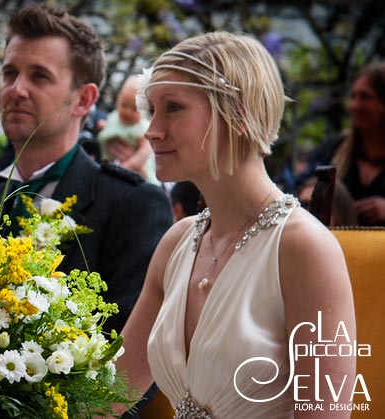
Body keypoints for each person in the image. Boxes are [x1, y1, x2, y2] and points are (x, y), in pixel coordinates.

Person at [110, 32, 356, 418]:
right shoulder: (176, 243)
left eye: (173, 108)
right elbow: (105, 396)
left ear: (236, 115)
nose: (151, 130)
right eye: (152, 109)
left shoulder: (306, 250)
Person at [0, 5, 173, 416]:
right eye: (9, 73)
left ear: (84, 99)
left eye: (39, 76)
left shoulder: (130, 203)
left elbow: (134, 369)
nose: (16, 89)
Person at [303, 62, 385, 226]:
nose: (354, 105)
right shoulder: (334, 149)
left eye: (365, 97)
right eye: (353, 96)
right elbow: (302, 183)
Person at [98, 76, 155, 181]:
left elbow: (146, 150)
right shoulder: (114, 116)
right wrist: (103, 126)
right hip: (109, 166)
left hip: (134, 172)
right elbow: (111, 126)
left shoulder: (141, 128)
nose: (128, 112)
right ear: (118, 100)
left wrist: (129, 165)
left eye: (135, 108)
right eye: (124, 105)